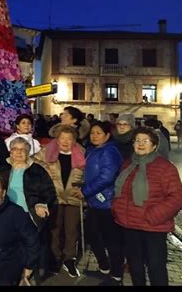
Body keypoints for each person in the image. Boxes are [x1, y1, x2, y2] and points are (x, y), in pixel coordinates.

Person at [112, 127, 182, 286]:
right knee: (135, 267)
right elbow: (120, 192)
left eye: (145, 141)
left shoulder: (165, 167)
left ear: (154, 146)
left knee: (156, 267)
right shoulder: (127, 164)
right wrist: (116, 209)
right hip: (129, 225)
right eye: (137, 140)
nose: (140, 144)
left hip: (153, 228)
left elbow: (177, 198)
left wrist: (153, 216)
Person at [74, 121, 124, 285]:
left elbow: (106, 177)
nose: (94, 136)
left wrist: (85, 191)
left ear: (107, 135)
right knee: (91, 234)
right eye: (92, 133)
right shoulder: (93, 150)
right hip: (95, 202)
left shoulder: (110, 151)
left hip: (107, 202)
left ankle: (116, 274)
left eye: (98, 133)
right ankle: (104, 267)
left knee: (111, 239)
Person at [1, 137, 57, 279]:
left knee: (32, 244)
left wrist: (41, 204)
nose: (18, 152)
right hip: (8, 213)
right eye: (15, 149)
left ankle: (30, 269)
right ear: (10, 152)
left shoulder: (37, 170)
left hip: (29, 213)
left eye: (22, 150)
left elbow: (49, 191)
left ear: (28, 152)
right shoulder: (4, 169)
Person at [34, 125, 85, 278]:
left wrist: (85, 189)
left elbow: (87, 173)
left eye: (69, 139)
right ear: (57, 138)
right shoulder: (47, 151)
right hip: (54, 196)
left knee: (71, 230)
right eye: (62, 138)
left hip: (73, 197)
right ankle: (55, 257)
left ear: (74, 140)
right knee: (54, 229)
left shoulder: (81, 153)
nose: (65, 141)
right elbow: (34, 164)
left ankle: (70, 258)